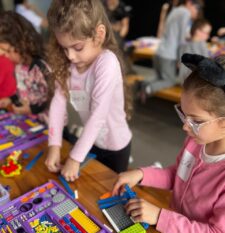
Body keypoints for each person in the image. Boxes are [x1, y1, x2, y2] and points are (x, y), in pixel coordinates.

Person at [113, 53, 225, 233]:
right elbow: (177, 175)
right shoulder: (196, 140)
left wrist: (161, 216)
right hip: (172, 228)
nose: (185, 126)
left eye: (195, 120)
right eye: (184, 115)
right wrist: (141, 174)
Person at [45, 0, 132, 182]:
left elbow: (98, 116)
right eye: (64, 48)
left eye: (77, 47)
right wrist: (54, 145)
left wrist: (75, 158)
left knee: (109, 189)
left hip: (116, 146)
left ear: (99, 34)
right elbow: (58, 104)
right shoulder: (70, 65)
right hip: (91, 141)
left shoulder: (106, 63)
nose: (70, 56)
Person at [139, 0, 202, 103]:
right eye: (197, 8)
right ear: (189, 3)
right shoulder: (185, 12)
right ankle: (148, 89)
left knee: (159, 77)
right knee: (170, 81)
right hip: (169, 54)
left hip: (159, 51)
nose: (197, 11)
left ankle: (142, 83)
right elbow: (181, 39)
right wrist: (181, 58)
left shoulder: (175, 10)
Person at [0, 11, 52, 124]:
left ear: (23, 44)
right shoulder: (19, 67)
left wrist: (31, 109)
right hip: (32, 121)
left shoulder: (40, 67)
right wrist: (11, 99)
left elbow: (52, 97)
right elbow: (22, 90)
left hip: (50, 123)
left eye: (8, 51)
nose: (6, 56)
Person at [178, 18, 211, 83]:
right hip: (191, 83)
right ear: (197, 31)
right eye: (207, 33)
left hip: (184, 79)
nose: (208, 36)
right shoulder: (200, 45)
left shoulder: (186, 43)